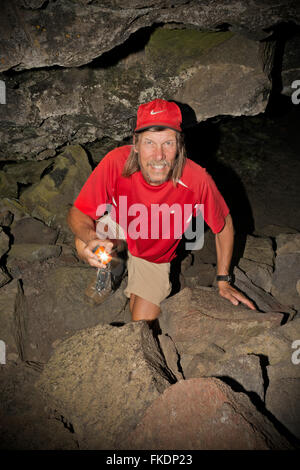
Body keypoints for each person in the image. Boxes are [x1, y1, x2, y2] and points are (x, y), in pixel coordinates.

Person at [68, 99, 255, 323]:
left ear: (180, 145)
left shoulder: (197, 180)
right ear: (136, 144)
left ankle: (125, 268)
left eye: (168, 143)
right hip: (122, 228)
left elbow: (224, 224)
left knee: (140, 325)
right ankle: (113, 265)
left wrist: (223, 279)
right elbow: (78, 213)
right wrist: (91, 238)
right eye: (149, 142)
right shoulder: (116, 162)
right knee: (83, 242)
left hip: (154, 255)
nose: (158, 155)